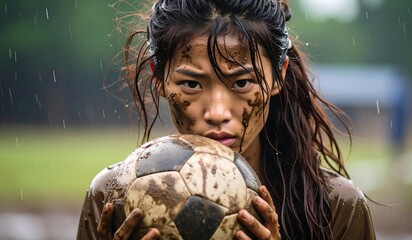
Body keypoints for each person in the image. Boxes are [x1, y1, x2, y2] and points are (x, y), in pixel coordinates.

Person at [77, 0, 376, 239]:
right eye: (192, 84)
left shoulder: (335, 207)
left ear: (278, 74)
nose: (217, 112)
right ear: (160, 80)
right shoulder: (112, 198)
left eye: (242, 82)